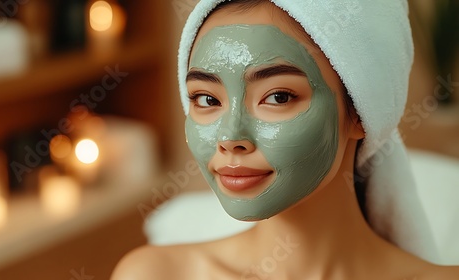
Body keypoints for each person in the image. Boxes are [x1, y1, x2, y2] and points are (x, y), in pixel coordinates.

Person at [112, 0, 459, 279]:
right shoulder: (156, 274)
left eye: (278, 97)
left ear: (361, 111)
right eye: (207, 99)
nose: (230, 138)